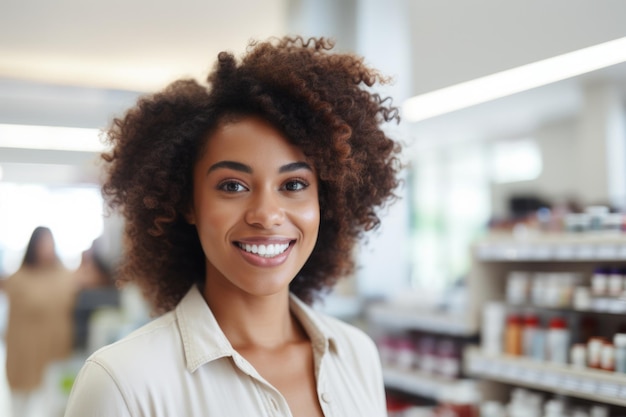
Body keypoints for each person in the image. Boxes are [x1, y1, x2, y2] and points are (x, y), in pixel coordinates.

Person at [64, 36, 402, 417]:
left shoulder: (357, 355)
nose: (266, 214)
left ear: (324, 200)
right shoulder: (123, 383)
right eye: (233, 186)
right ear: (188, 202)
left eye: (293, 185)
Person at [2, 226, 78, 417]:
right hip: (25, 350)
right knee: (21, 404)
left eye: (50, 244)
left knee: (55, 402)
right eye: (43, 244)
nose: (47, 249)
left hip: (54, 350)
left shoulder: (64, 277)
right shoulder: (19, 279)